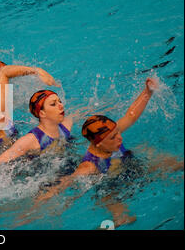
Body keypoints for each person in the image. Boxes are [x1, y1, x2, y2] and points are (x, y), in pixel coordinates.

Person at [27, 78, 183, 228]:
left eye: (117, 132)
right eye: (114, 137)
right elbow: (66, 182)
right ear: (99, 143)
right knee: (122, 213)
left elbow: (131, 116)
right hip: (111, 186)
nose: (120, 137)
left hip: (131, 165)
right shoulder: (89, 166)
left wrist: (147, 92)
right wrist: (38, 203)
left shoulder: (110, 134)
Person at [0, 90, 74, 182]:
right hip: (41, 178)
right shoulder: (31, 140)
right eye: (53, 104)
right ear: (42, 113)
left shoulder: (66, 125)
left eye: (60, 101)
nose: (61, 106)